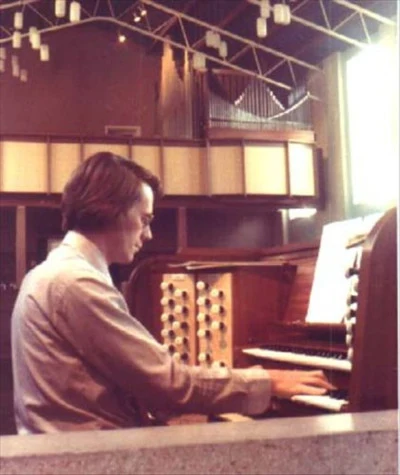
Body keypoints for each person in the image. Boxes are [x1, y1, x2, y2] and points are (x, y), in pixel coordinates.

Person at [11, 151, 334, 434]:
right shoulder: (76, 282)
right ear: (111, 210)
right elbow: (168, 382)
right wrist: (268, 381)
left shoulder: (53, 272)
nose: (149, 234)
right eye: (145, 219)